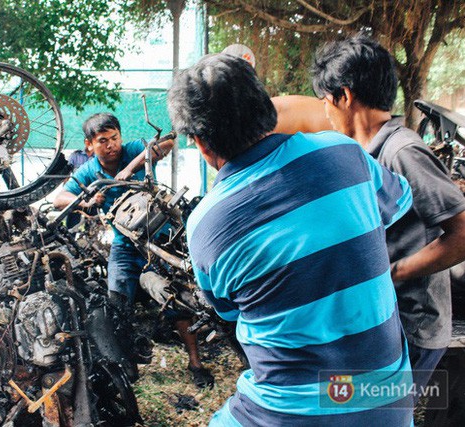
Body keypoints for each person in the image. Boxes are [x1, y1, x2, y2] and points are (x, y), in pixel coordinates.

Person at [168, 53, 415, 425]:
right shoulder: (346, 153)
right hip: (388, 400)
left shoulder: (205, 224)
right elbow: (400, 202)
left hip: (290, 411)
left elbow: (230, 311)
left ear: (200, 143)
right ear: (267, 108)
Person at [274, 35, 465, 392]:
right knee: (343, 403)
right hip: (385, 320)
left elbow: (463, 234)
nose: (326, 113)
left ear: (345, 97)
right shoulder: (364, 152)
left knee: (363, 410)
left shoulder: (402, 151)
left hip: (413, 326)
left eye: (326, 102)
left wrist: (394, 272)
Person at [53, 113, 215, 388]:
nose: (111, 145)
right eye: (103, 141)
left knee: (176, 298)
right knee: (116, 302)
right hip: (125, 245)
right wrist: (87, 201)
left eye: (114, 137)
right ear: (89, 145)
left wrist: (132, 168)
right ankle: (126, 363)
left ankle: (195, 363)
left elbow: (167, 143)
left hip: (160, 238)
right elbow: (59, 198)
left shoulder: (132, 150)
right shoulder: (89, 171)